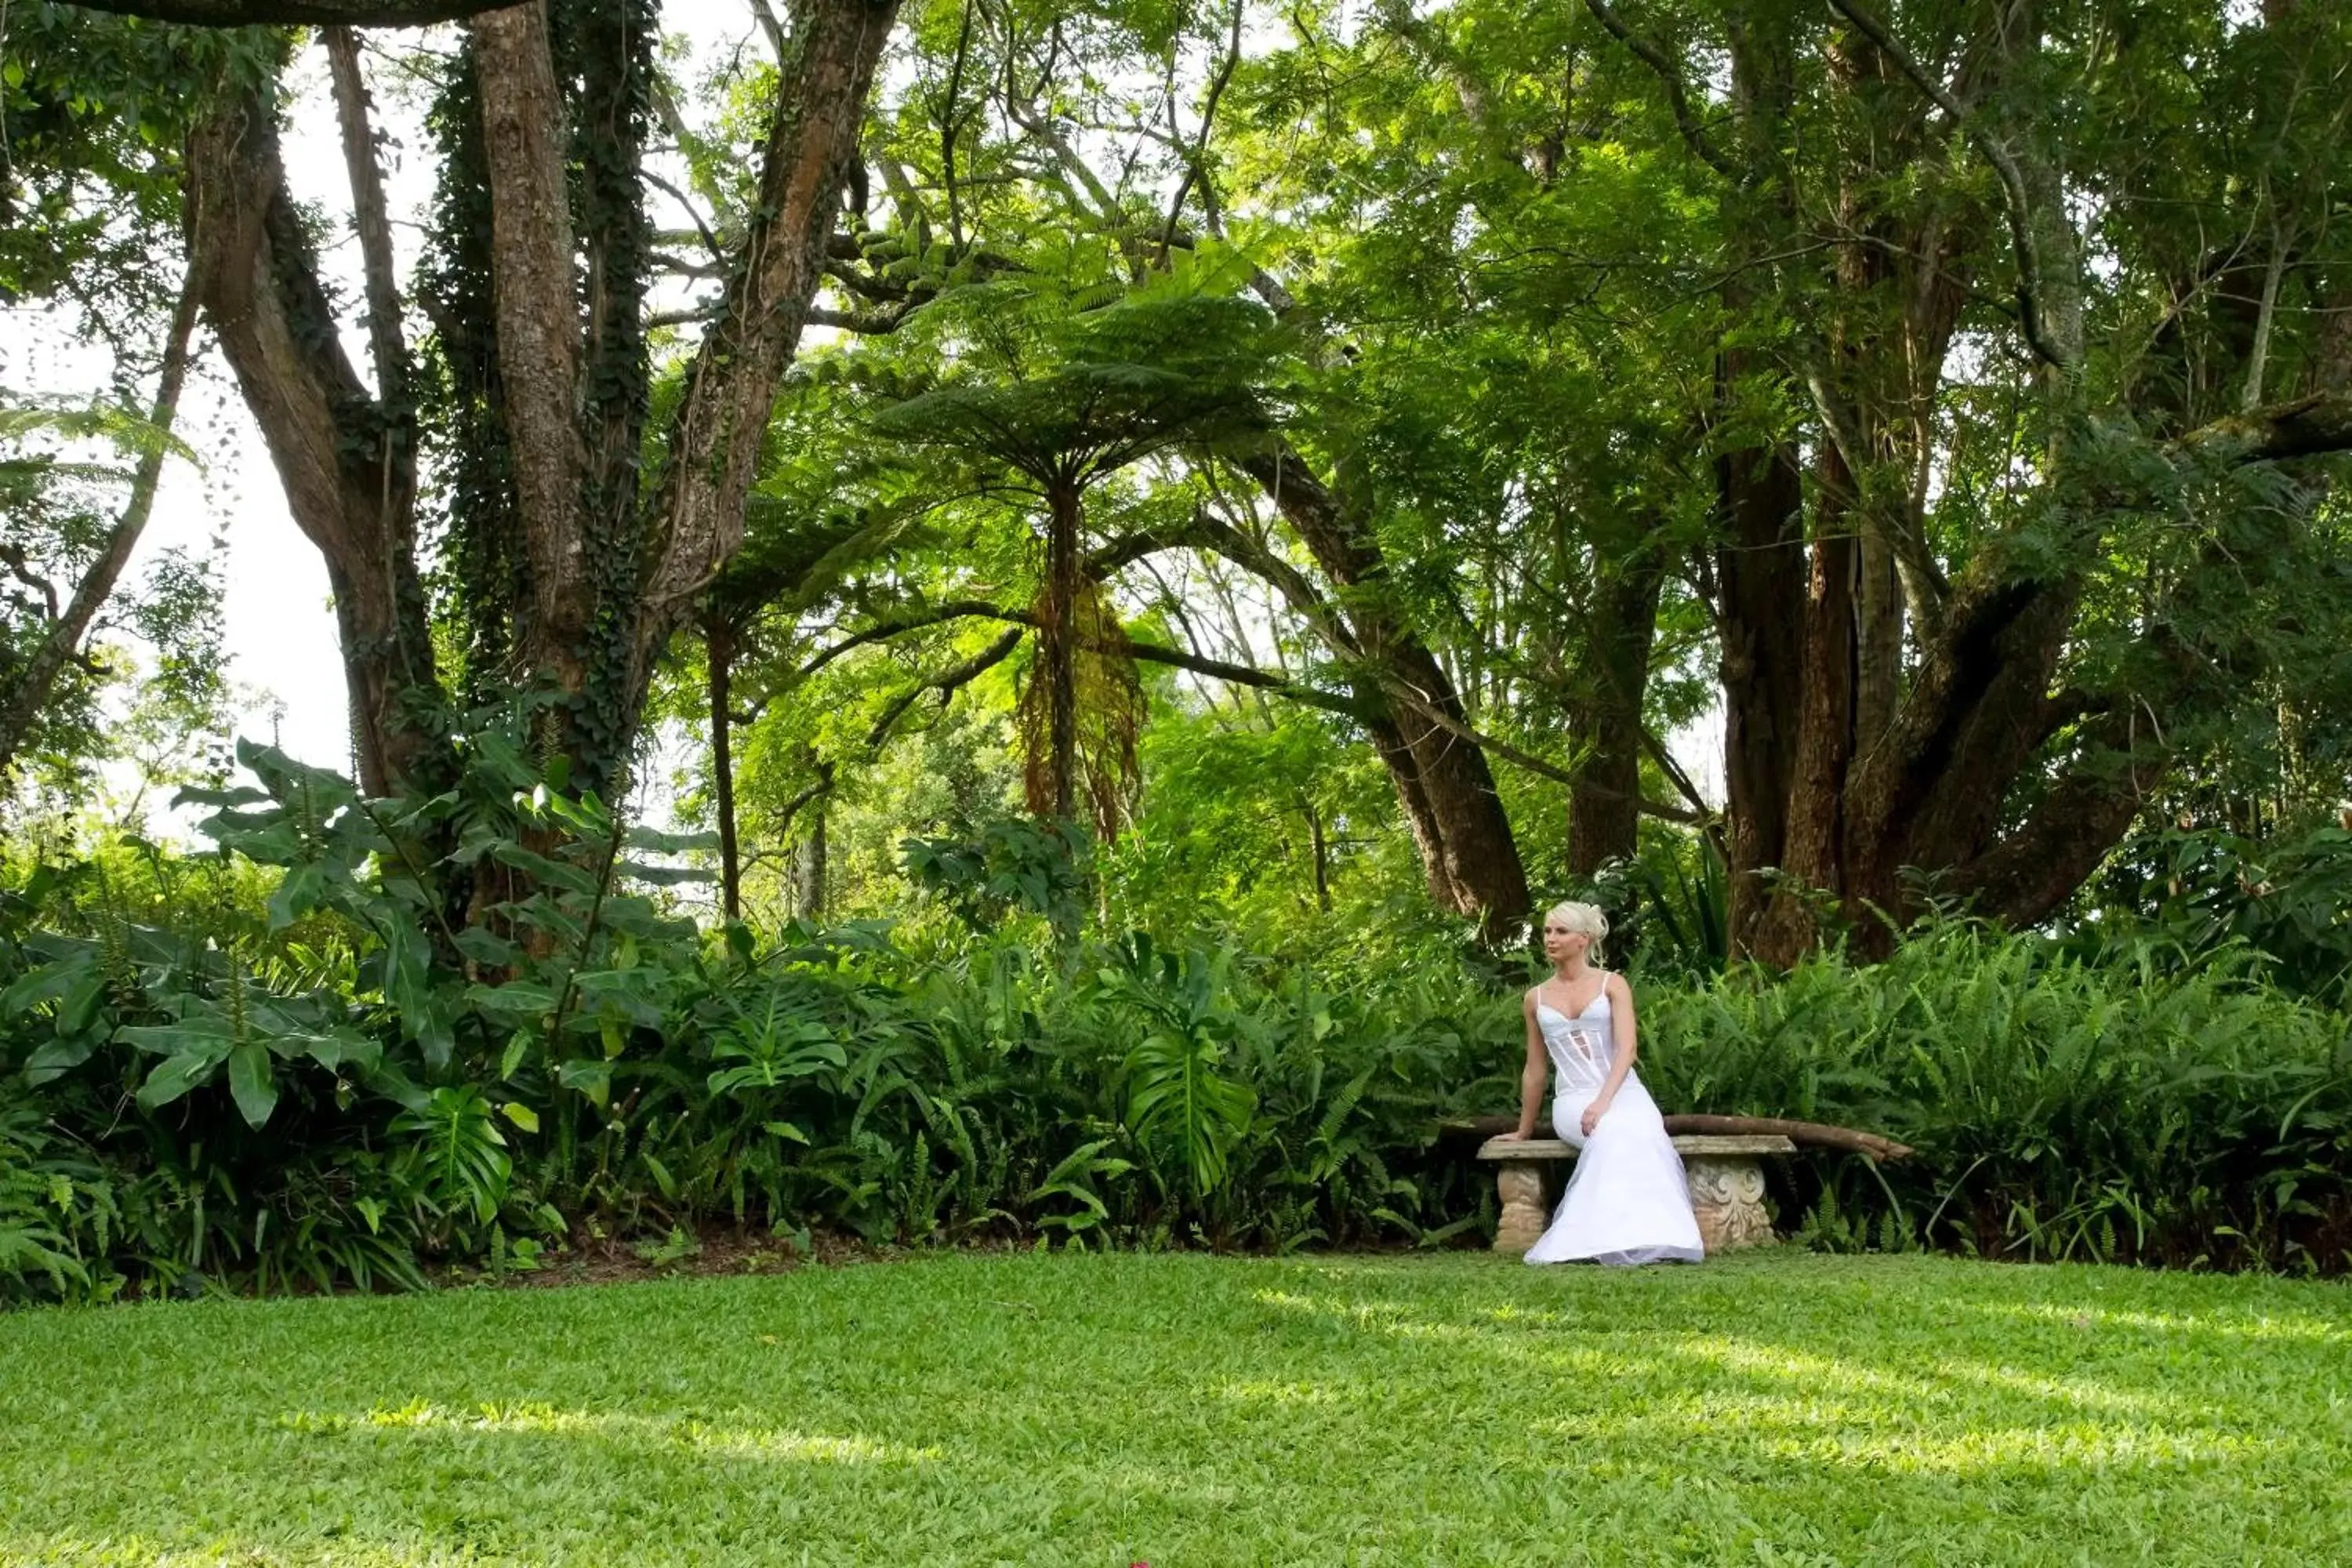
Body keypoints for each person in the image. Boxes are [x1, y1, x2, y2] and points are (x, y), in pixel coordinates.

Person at [1494, 901, 1704, 1266]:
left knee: (1637, 1129)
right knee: (1611, 1134)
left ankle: (1660, 1236)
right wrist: (1523, 1130)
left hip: (1624, 1093)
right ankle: (1592, 1238)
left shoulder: (1613, 984)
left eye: (1561, 931)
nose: (1551, 939)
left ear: (1584, 939)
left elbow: (1628, 1049)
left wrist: (1604, 1102)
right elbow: (1535, 1069)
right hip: (1573, 1099)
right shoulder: (1535, 998)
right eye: (1547, 931)